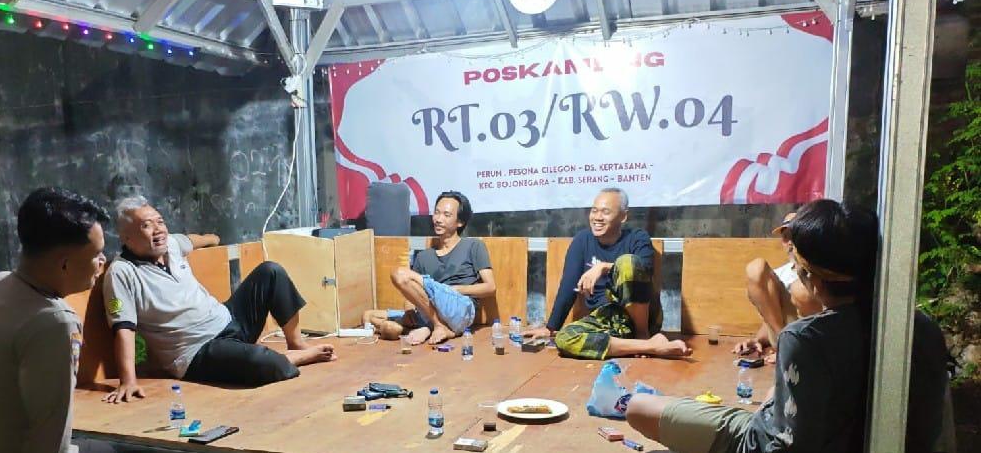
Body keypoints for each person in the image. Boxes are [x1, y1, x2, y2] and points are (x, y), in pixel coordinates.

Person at [626, 199, 949, 453]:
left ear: (810, 278)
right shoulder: (917, 327)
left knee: (639, 407)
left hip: (758, 440)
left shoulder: (806, 338)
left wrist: (772, 400)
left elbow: (787, 444)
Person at [102, 196, 333, 403]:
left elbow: (191, 240)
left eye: (160, 221)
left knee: (271, 272)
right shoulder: (122, 272)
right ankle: (293, 358)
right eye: (146, 225)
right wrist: (128, 381)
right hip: (196, 351)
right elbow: (124, 328)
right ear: (127, 238)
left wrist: (213, 239)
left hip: (227, 319)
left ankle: (295, 343)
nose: (158, 230)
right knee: (263, 362)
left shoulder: (170, 243)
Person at [0, 187, 109, 453]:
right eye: (96, 255)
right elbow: (52, 437)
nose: (103, 262)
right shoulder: (55, 322)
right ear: (64, 264)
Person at [523, 188, 690, 358]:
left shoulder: (637, 237)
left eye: (605, 212)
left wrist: (603, 267)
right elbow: (568, 286)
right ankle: (649, 346)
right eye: (594, 211)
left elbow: (645, 269)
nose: (597, 217)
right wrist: (551, 328)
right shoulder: (582, 240)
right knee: (565, 338)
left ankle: (642, 335)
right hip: (606, 320)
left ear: (623, 216)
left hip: (642, 317)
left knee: (627, 262)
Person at [362, 191, 495, 345]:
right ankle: (433, 327)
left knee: (400, 274)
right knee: (369, 316)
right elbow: (414, 291)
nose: (438, 219)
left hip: (460, 308)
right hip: (431, 308)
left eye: (446, 215)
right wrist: (409, 308)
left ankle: (433, 326)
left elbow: (490, 287)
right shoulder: (424, 257)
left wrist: (453, 289)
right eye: (436, 213)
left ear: (460, 222)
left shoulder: (473, 246)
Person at [733, 212, 823, 362]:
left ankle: (792, 348)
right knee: (756, 267)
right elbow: (776, 316)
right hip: (784, 338)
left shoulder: (820, 271)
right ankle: (784, 344)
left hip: (812, 342)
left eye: (795, 236)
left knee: (801, 289)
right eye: (785, 237)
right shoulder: (778, 274)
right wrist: (758, 340)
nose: (790, 242)